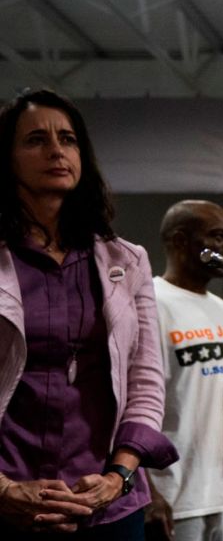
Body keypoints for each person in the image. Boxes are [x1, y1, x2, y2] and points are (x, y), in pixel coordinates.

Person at [0, 89, 178, 538]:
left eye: (69, 139)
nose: (57, 151)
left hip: (107, 505)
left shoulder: (128, 261)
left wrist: (118, 478)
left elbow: (146, 382)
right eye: (36, 140)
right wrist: (3, 490)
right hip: (9, 497)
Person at [147, 200, 223, 541]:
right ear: (180, 241)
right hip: (173, 498)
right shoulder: (150, 302)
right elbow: (125, 405)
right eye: (218, 236)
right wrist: (146, 491)